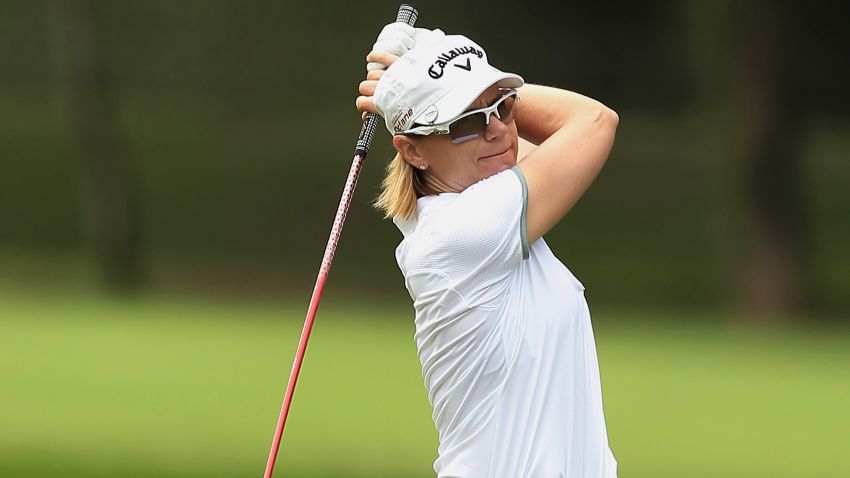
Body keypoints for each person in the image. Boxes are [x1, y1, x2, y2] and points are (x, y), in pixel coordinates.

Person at [356, 23, 619, 478]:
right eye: (466, 122)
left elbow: (535, 143)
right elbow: (593, 123)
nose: (496, 130)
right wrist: (430, 63)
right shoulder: (465, 232)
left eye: (504, 107)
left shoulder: (464, 198)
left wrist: (434, 74)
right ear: (413, 150)